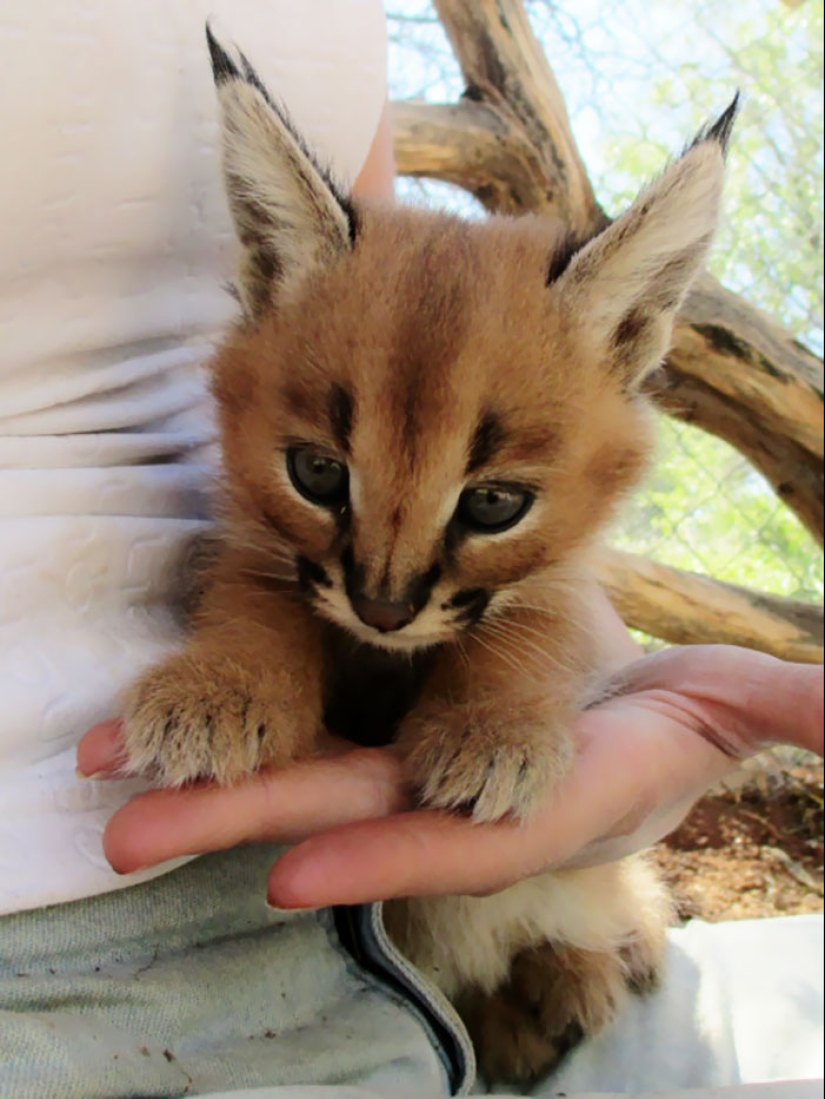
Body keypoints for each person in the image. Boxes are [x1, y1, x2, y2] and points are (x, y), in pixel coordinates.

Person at [1, 2, 821, 1097]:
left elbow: (425, 343)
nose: (383, 591)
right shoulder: (298, 351)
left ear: (633, 334)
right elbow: (274, 530)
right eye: (326, 479)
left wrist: (592, 709)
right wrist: (250, 663)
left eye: (488, 504)